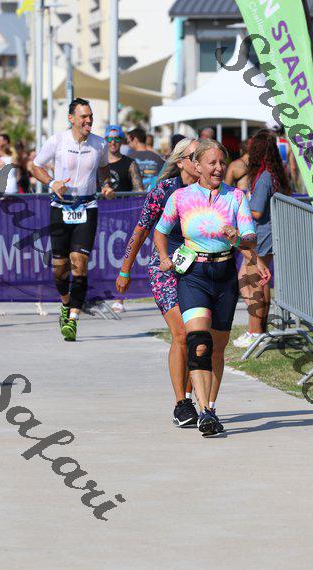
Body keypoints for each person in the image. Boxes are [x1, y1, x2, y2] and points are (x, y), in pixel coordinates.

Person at [154, 139, 270, 436]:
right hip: (193, 273)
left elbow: (249, 238)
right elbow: (160, 230)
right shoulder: (181, 197)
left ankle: (211, 407)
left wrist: (238, 238)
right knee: (198, 342)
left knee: (217, 348)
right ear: (197, 165)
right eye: (212, 163)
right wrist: (164, 257)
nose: (219, 168)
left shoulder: (236, 197)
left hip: (224, 274)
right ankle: (204, 411)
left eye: (222, 162)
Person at [116, 138, 200, 427]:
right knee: (181, 334)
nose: (200, 160)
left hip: (199, 268)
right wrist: (125, 269)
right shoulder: (164, 190)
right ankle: (182, 404)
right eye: (195, 156)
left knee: (197, 335)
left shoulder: (209, 190)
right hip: (165, 268)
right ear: (181, 162)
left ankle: (192, 397)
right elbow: (141, 230)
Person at [32, 97, 115, 342]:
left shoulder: (99, 144)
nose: (88, 121)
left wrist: (107, 185)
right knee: (60, 269)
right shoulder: (58, 140)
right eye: (84, 117)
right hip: (61, 207)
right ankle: (66, 303)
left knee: (80, 262)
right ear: (72, 119)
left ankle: (73, 320)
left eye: (91, 117)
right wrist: (52, 182)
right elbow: (36, 165)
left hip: (87, 207)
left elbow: (103, 169)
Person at [233, 129, 291, 348]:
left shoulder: (264, 176)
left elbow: (256, 211)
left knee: (254, 281)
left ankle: (255, 331)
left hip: (261, 233)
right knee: (251, 280)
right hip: (264, 233)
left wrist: (240, 204)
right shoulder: (272, 173)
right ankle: (258, 330)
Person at [105, 125, 143, 193]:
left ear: (122, 140)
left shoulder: (130, 164)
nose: (113, 142)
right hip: (101, 200)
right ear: (105, 140)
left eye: (117, 138)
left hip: (123, 200)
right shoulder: (97, 162)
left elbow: (139, 191)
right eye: (109, 139)